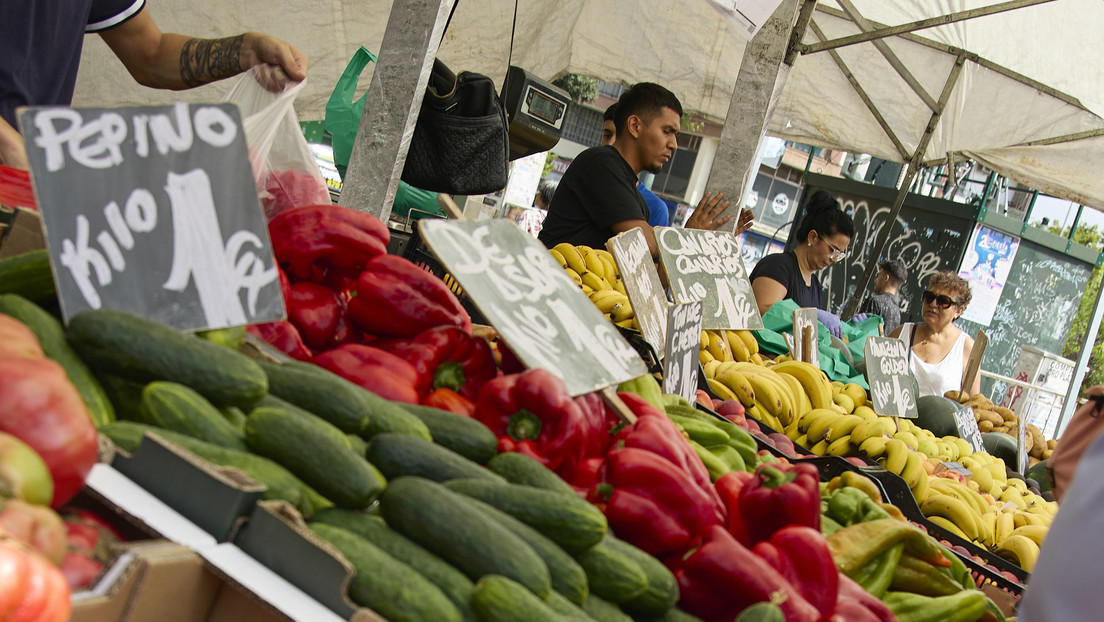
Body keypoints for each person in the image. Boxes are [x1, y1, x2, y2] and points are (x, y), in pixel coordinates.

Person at [0, 2, 308, 170]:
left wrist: (246, 50)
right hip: (22, 165)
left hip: (28, 180)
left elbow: (150, 53)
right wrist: (11, 145)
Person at [538, 82, 754, 258]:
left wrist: (712, 243)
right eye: (667, 131)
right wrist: (690, 236)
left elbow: (656, 278)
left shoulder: (638, 202)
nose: (674, 144)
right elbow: (645, 243)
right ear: (635, 126)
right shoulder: (601, 163)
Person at [749, 189, 854, 335]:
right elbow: (762, 311)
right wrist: (810, 315)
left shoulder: (816, 287)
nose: (834, 259)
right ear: (813, 238)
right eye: (833, 250)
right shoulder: (778, 267)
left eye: (840, 255)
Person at [888, 271, 981, 397]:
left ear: (958, 311)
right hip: (891, 416)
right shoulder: (901, 333)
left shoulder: (967, 347)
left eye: (943, 301)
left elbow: (972, 402)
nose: (932, 304)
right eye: (929, 297)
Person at [600, 103, 670, 227]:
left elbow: (652, 245)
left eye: (619, 137)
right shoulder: (586, 178)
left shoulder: (656, 208)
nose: (610, 144)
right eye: (607, 135)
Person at [858, 259, 908, 334]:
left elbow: (859, 330)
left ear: (886, 278)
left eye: (878, 276)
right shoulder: (897, 312)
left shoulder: (875, 301)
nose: (875, 280)